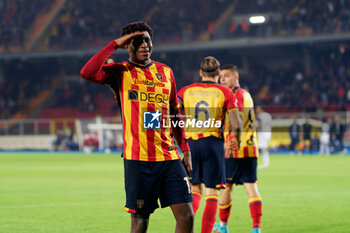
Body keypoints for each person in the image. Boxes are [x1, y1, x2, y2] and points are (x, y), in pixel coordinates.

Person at [80, 21, 194, 233]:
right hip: (138, 160)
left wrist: (185, 148)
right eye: (137, 41)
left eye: (147, 41)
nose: (144, 45)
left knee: (187, 216)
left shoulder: (166, 72)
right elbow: (87, 72)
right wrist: (114, 44)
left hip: (169, 157)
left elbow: (174, 112)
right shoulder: (119, 72)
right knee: (140, 222)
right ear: (127, 46)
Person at [177, 57, 242, 233]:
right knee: (212, 192)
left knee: (195, 189)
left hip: (191, 145)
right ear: (218, 73)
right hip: (213, 144)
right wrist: (235, 139)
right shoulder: (226, 93)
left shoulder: (186, 91)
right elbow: (237, 123)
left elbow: (172, 111)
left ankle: (185, 228)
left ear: (200, 73)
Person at [213, 65, 262, 233]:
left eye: (226, 76)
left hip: (234, 149)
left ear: (236, 77)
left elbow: (238, 120)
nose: (223, 79)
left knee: (226, 187)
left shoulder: (235, 95)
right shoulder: (246, 94)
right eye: (221, 77)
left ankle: (223, 226)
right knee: (251, 187)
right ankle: (256, 228)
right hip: (250, 148)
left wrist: (230, 141)